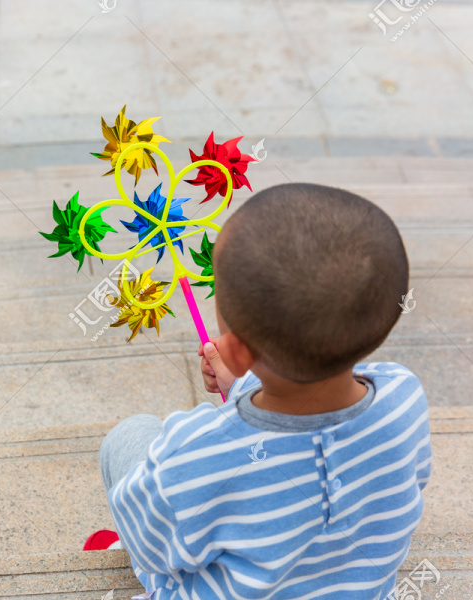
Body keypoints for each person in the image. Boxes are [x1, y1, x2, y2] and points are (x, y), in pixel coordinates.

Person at [89, 183, 432, 599]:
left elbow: (153, 549)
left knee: (130, 435)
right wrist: (247, 386)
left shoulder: (195, 453)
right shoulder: (404, 398)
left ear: (233, 351)